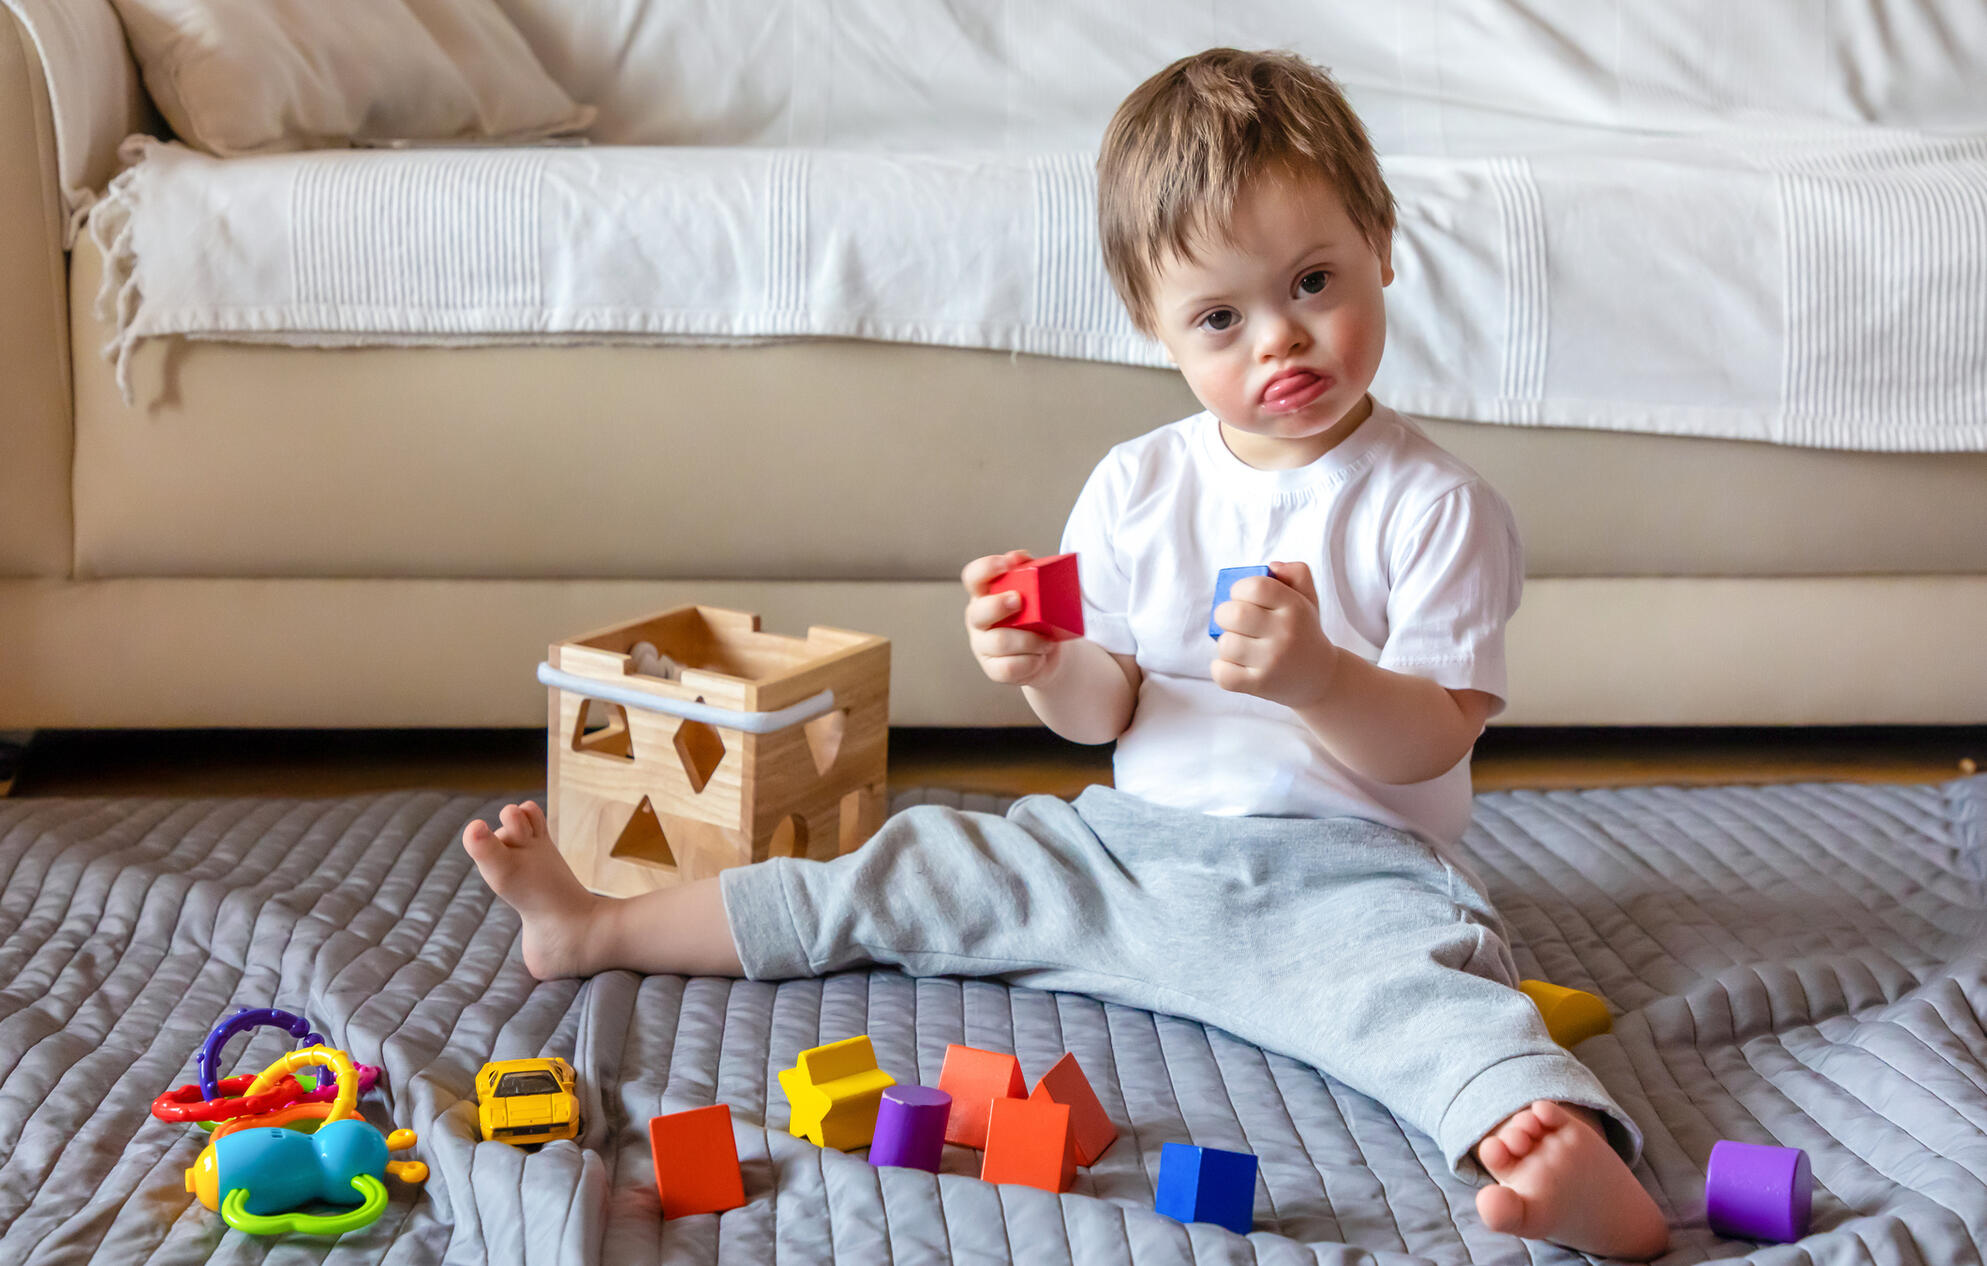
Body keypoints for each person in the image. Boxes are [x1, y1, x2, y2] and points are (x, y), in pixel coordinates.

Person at [463, 47, 1669, 1259]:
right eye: (1219, 316)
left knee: (1412, 998)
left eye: (1313, 282)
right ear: (1155, 327)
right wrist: (1046, 665)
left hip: (1345, 872)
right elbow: (1110, 711)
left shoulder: (1432, 505)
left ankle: (1564, 1149)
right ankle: (595, 931)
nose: (1279, 342)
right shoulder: (1139, 485)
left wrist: (1319, 681)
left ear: (1384, 247)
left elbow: (1434, 743)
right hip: (1129, 856)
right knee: (912, 866)